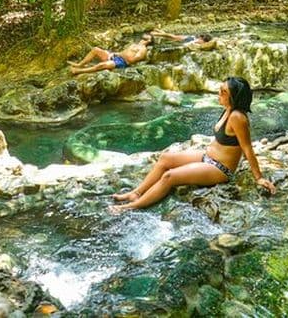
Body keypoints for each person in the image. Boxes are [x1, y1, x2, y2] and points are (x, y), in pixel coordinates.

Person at [110, 76, 276, 213]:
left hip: (220, 169)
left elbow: (247, 148)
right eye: (220, 89)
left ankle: (130, 207)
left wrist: (259, 178)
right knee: (165, 158)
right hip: (207, 158)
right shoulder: (228, 109)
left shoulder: (238, 117)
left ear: (234, 96)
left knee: (170, 176)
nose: (219, 93)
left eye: (223, 92)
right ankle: (135, 193)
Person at [69, 34, 154, 75]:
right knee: (95, 49)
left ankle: (78, 71)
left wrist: (120, 56)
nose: (146, 34)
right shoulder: (134, 44)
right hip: (116, 57)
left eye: (148, 36)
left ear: (149, 41)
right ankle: (79, 64)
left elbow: (132, 60)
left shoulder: (143, 49)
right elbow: (123, 52)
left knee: (102, 65)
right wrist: (113, 54)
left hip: (122, 62)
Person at [151, 29, 217, 50]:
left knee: (171, 37)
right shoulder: (200, 40)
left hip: (190, 38)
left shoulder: (205, 41)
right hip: (190, 39)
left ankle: (158, 31)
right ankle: (156, 33)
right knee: (173, 37)